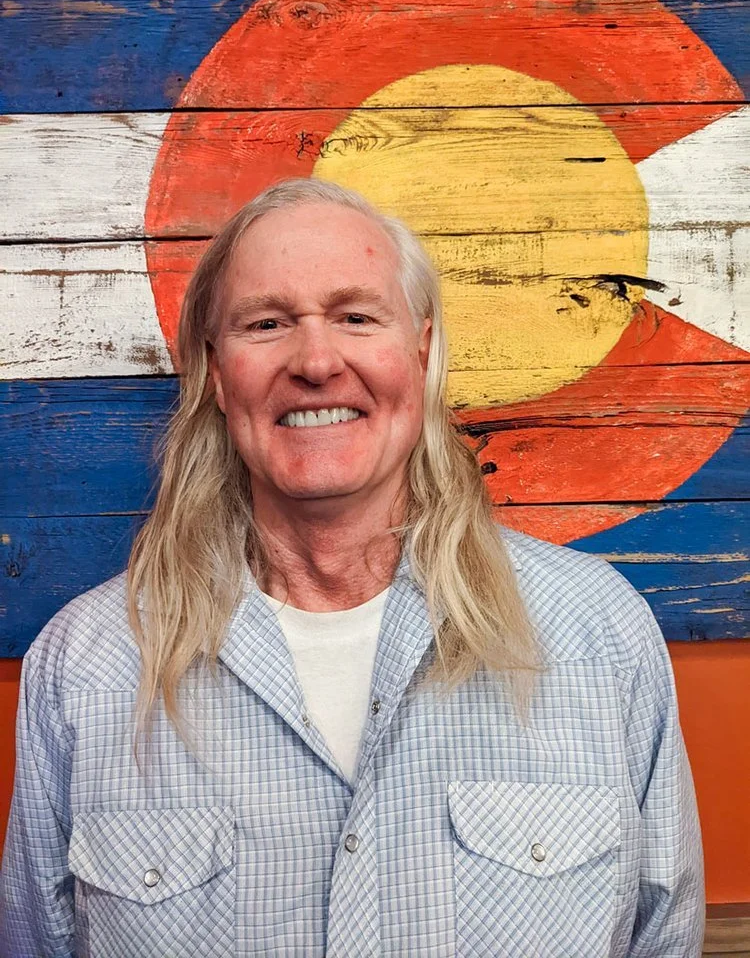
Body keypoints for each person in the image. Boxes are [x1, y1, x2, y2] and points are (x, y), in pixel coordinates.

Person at [1, 178, 703, 957]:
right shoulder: (85, 668)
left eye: (356, 317)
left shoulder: (597, 635)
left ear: (421, 352)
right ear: (217, 373)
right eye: (266, 323)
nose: (315, 361)